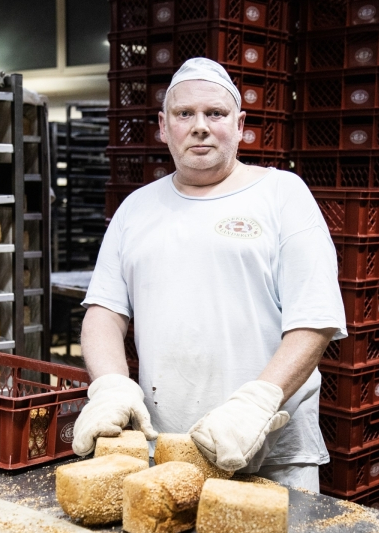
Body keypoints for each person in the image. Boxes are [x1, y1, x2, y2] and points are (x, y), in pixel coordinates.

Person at [72, 58, 347, 492]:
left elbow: (314, 318)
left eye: (215, 114)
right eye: (185, 114)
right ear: (164, 127)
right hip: (162, 452)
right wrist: (110, 385)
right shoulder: (137, 208)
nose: (200, 126)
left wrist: (257, 403)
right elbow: (105, 310)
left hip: (269, 454)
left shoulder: (281, 194)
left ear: (240, 125)